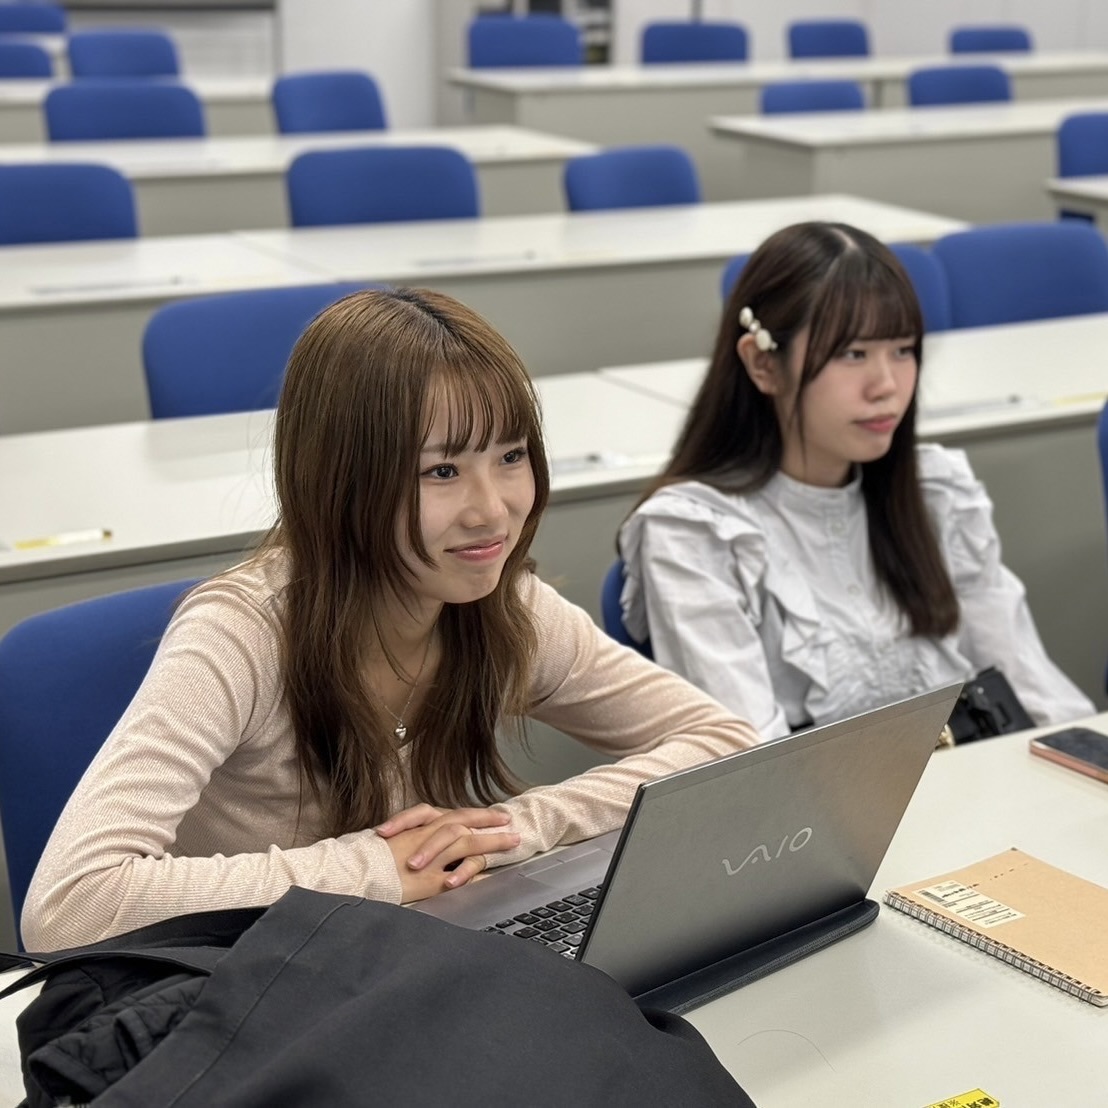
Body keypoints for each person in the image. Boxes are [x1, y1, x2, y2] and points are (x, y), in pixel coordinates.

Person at [23, 288, 758, 952]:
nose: (492, 508)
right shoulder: (239, 636)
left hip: (396, 969)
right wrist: (382, 867)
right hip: (243, 993)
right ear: (341, 481)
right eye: (441, 471)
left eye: (510, 457)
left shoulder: (505, 607)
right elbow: (71, 904)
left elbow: (724, 741)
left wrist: (518, 828)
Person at [619, 221, 1094, 742]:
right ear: (763, 364)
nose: (887, 386)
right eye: (853, 354)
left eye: (903, 350)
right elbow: (752, 764)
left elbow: (1033, 685)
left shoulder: (936, 493)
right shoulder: (696, 534)